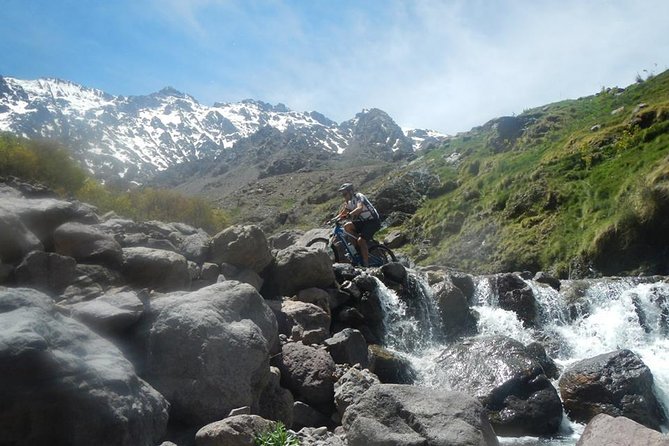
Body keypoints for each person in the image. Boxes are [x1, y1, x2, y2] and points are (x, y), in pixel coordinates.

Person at [336, 183, 381, 266]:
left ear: (351, 191)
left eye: (345, 193)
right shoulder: (349, 202)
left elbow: (359, 208)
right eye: (343, 194)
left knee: (361, 240)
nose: (344, 196)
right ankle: (358, 249)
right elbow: (343, 212)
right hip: (364, 222)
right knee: (347, 226)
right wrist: (334, 219)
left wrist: (349, 214)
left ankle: (366, 263)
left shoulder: (359, 196)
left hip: (373, 221)